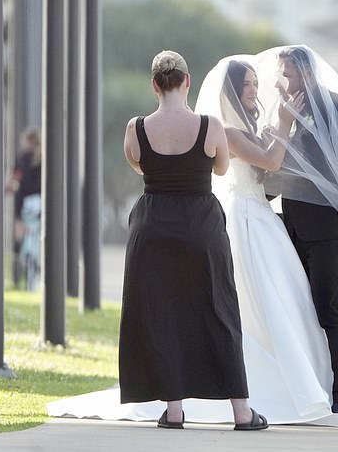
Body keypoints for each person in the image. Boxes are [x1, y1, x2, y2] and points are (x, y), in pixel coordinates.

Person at [118, 50, 267, 431]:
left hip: (152, 227)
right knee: (219, 311)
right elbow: (220, 166)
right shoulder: (209, 125)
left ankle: (173, 410)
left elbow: (137, 163)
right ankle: (242, 413)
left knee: (163, 315)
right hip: (200, 225)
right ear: (187, 82)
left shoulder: (136, 127)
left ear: (154, 85)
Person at [193, 56, 338, 426]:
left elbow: (267, 157)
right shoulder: (228, 131)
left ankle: (305, 382)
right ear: (230, 90)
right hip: (244, 221)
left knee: (289, 298)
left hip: (261, 217)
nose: (252, 90)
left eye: (254, 84)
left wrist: (281, 120)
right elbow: (271, 162)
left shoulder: (247, 128)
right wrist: (286, 122)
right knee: (258, 301)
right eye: (245, 85)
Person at [254, 45, 338, 425]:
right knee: (297, 308)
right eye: (281, 75)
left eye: (289, 75)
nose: (282, 82)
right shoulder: (284, 113)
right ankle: (308, 390)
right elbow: (277, 172)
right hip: (289, 226)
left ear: (308, 74)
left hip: (331, 226)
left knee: (330, 310)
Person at [6, 127, 42, 290]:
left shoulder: (23, 161)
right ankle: (31, 276)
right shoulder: (42, 160)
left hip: (25, 209)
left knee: (24, 244)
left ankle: (24, 276)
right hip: (39, 209)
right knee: (33, 244)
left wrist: (17, 218)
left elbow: (16, 184)